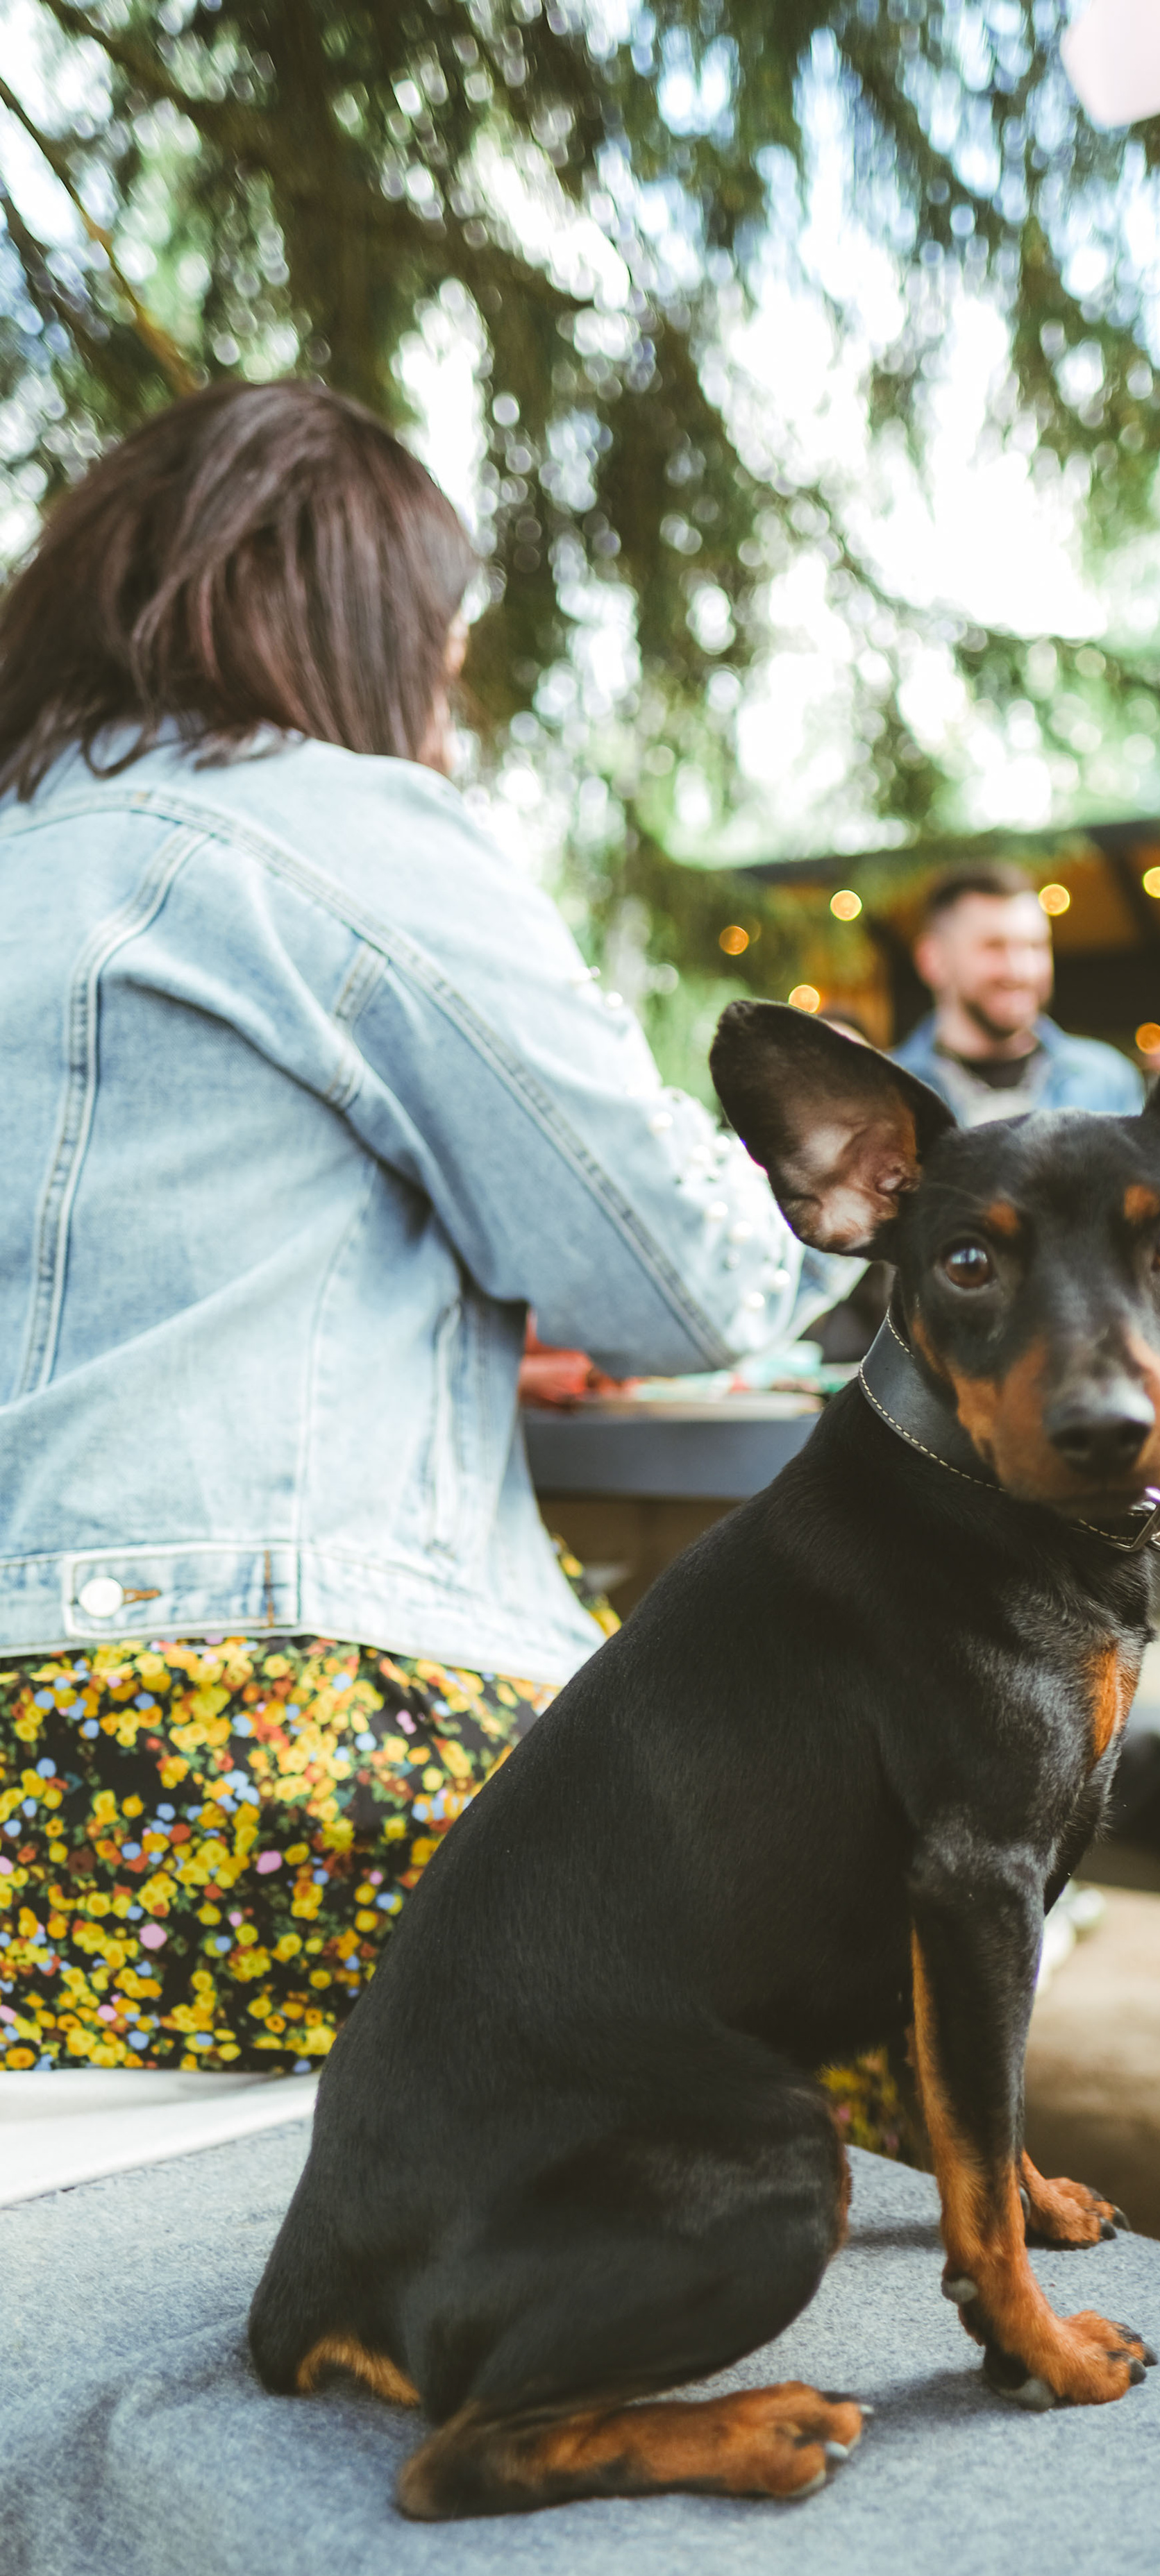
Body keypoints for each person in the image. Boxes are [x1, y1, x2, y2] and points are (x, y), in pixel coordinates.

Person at [0, 380, 845, 2083]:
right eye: (444, 633)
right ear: (356, 611)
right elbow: (687, 1275)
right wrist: (881, 1201)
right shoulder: (320, 816)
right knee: (864, 1897)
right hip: (230, 1742)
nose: (451, 683)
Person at [892, 860, 1143, 1125]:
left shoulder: (1106, 1079)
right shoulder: (891, 1091)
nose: (1021, 970)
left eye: (1035, 946)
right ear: (934, 960)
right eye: (994, 947)